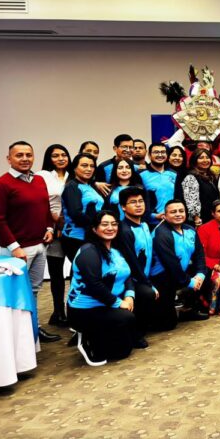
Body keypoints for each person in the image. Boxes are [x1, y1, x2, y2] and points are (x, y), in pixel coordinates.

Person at [0, 141, 59, 343]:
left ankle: (33, 330)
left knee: (34, 290)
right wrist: (15, 247)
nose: (24, 159)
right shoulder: (0, 185)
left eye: (28, 155)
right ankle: (16, 338)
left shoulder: (38, 180)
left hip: (39, 246)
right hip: (16, 251)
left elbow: (46, 208)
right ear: (9, 159)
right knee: (15, 294)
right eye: (19, 155)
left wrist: (48, 228)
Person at [66, 210, 139, 366]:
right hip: (84, 310)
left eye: (114, 224)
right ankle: (86, 338)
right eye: (104, 224)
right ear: (94, 229)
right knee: (126, 318)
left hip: (107, 304)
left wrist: (129, 295)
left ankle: (104, 334)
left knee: (123, 351)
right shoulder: (88, 252)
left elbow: (126, 276)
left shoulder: (115, 250)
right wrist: (119, 303)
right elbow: (94, 286)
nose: (110, 228)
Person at [150, 199, 208, 327]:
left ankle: (189, 309)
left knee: (204, 272)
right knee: (168, 324)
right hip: (163, 277)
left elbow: (199, 255)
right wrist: (191, 282)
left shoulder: (190, 229)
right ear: (164, 216)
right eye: (173, 212)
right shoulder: (161, 234)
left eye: (181, 211)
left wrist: (200, 275)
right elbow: (171, 264)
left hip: (181, 273)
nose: (178, 214)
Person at [114, 187, 158, 341]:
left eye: (141, 201)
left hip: (145, 275)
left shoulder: (145, 225)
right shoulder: (124, 230)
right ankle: (136, 333)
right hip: (130, 279)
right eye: (133, 202)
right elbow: (131, 263)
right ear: (123, 207)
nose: (139, 205)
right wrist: (148, 284)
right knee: (147, 293)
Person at [36, 143, 71, 327]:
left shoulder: (73, 175)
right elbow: (41, 202)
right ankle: (59, 312)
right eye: (55, 155)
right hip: (54, 230)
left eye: (64, 154)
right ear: (49, 158)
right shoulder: (42, 176)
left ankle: (74, 309)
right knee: (56, 273)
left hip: (73, 231)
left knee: (76, 271)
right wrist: (53, 223)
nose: (60, 158)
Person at [61, 153, 105, 264]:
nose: (89, 169)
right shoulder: (72, 186)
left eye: (92, 166)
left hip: (90, 235)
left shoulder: (89, 186)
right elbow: (76, 214)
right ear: (75, 168)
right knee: (82, 270)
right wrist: (98, 227)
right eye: (84, 165)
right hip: (76, 237)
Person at [180, 148, 220, 227]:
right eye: (201, 158)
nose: (205, 160)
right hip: (200, 221)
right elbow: (191, 201)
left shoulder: (211, 176)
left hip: (212, 218)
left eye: (207, 157)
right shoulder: (191, 177)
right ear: (194, 160)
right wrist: (196, 218)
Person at [141, 142, 178, 223]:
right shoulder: (141, 175)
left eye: (163, 152)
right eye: (156, 152)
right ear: (149, 155)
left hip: (172, 220)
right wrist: (153, 215)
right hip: (151, 222)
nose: (160, 155)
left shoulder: (174, 174)